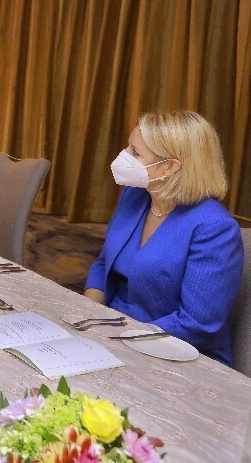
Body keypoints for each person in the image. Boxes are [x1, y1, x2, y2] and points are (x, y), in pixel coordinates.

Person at [84, 110, 243, 365]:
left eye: (135, 153)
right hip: (112, 331)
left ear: (169, 167)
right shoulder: (134, 196)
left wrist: (118, 339)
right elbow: (104, 264)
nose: (124, 156)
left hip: (177, 352)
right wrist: (86, 315)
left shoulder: (214, 228)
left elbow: (197, 323)